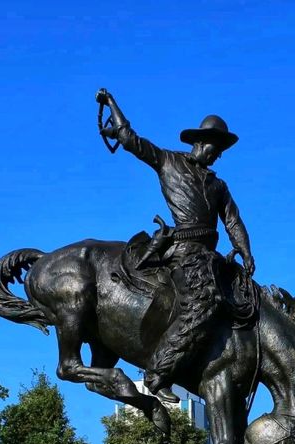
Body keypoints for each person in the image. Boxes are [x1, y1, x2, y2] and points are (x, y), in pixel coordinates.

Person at [97, 89, 255, 404]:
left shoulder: (218, 185)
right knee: (203, 304)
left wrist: (245, 250)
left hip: (211, 258)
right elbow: (130, 139)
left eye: (222, 150)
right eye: (216, 147)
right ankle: (159, 373)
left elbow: (233, 221)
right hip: (185, 254)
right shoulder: (168, 161)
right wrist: (112, 103)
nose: (218, 155)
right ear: (201, 141)